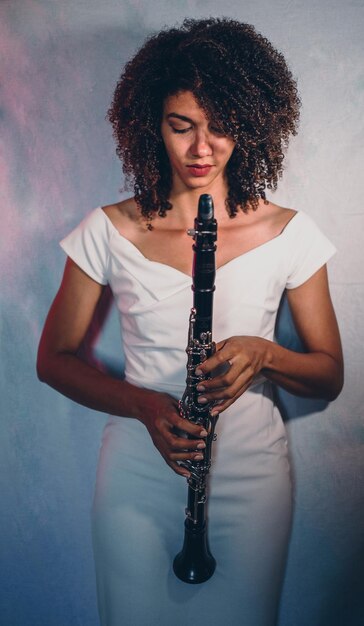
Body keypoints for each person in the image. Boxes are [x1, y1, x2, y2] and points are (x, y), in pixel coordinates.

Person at [37, 17, 343, 626]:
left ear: (249, 127)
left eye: (221, 128)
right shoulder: (108, 229)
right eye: (182, 127)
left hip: (251, 475)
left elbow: (328, 375)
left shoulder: (288, 232)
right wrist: (145, 406)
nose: (202, 150)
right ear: (153, 124)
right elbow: (53, 360)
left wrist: (264, 353)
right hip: (137, 472)